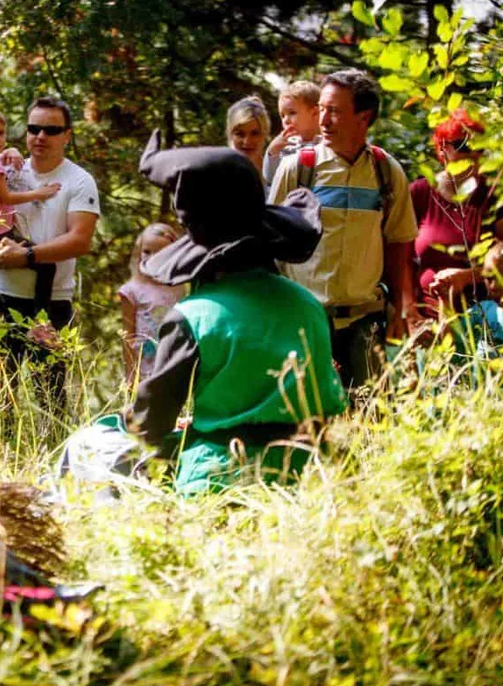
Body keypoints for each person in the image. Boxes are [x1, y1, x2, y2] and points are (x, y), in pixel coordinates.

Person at [58, 139, 346, 495]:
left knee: (90, 444)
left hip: (218, 478)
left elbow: (150, 425)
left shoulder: (192, 317)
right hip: (311, 476)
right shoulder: (308, 304)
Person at [268, 68, 420, 390]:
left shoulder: (386, 172)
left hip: (365, 321)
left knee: (371, 417)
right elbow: (270, 243)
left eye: (334, 112)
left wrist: (401, 310)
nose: (323, 121)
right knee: (306, 417)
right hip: (304, 319)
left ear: (364, 117)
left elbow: (398, 243)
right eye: (321, 109)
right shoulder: (298, 168)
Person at [0, 97, 101, 413]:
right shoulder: (4, 168)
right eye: (34, 128)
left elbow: (80, 240)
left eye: (51, 129)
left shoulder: (79, 180)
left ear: (67, 135)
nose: (40, 136)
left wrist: (27, 256)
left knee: (52, 399)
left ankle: (56, 459)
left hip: (51, 303)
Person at [410, 108, 503, 317]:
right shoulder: (420, 193)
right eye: (463, 146)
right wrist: (408, 310)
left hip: (483, 316)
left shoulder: (494, 197)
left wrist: (467, 276)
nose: (473, 154)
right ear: (442, 148)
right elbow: (398, 257)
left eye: (479, 147)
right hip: (426, 317)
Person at [0, 106, 60, 310]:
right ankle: (41, 319)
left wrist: (10, 151)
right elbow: (6, 197)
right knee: (47, 264)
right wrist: (39, 193)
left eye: (1, 133)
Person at [119, 223, 184, 387]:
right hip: (146, 370)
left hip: (176, 365)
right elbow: (128, 337)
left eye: (160, 253)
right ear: (138, 252)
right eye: (146, 251)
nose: (151, 257)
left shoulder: (181, 286)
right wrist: (131, 375)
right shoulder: (132, 290)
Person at [263, 80, 321, 188]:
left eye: (292, 113)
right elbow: (271, 178)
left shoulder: (326, 144)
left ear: (315, 113)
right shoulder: (286, 146)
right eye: (282, 115)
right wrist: (272, 153)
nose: (286, 120)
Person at [226, 95, 270, 181]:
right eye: (240, 134)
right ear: (230, 134)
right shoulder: (217, 173)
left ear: (264, 134)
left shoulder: (275, 173)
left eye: (254, 133)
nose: (247, 141)